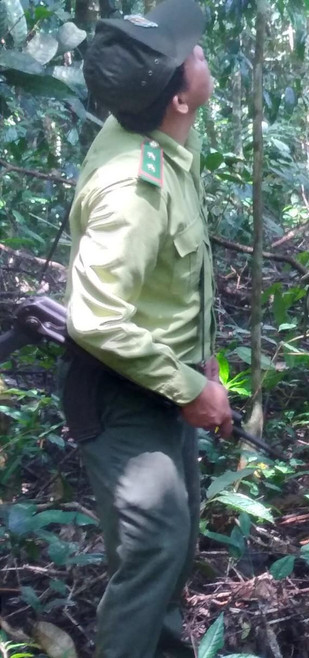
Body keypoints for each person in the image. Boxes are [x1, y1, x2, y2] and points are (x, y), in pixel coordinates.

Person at [59, 1, 230, 655]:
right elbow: (98, 317)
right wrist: (188, 386)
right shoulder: (133, 186)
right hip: (120, 388)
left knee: (175, 542)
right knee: (155, 547)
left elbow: (173, 286)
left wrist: (202, 369)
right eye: (194, 56)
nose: (202, 56)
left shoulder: (157, 133)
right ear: (179, 100)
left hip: (163, 377)